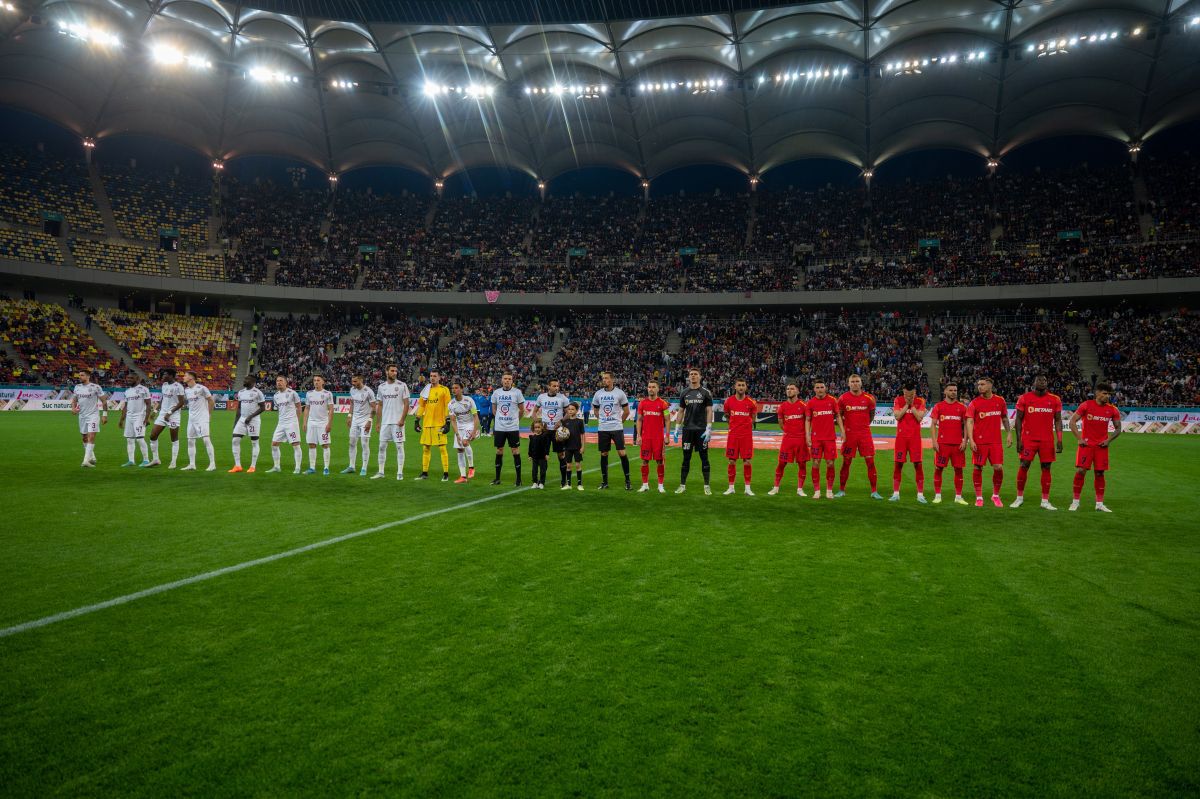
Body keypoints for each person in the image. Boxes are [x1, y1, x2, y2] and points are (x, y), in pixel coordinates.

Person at [1012, 374, 1064, 510]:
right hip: (1028, 439)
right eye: (1039, 380)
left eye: (1045, 380)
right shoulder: (1024, 398)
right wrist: (1019, 440)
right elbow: (1018, 419)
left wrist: (1059, 439)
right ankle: (1019, 498)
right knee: (1024, 465)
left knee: (1046, 468)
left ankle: (1045, 501)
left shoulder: (1055, 399)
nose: (1042, 382)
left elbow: (1058, 420)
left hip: (1047, 440)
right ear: (1034, 383)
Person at [1068, 382, 1121, 512]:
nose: (1107, 396)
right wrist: (1079, 439)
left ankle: (1099, 504)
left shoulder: (1113, 409)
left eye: (1109, 394)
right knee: (1081, 471)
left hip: (1101, 447)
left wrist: (1108, 440)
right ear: (1097, 393)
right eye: (1105, 393)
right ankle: (1075, 502)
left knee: (1100, 473)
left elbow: (1118, 428)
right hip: (1086, 445)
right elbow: (1072, 422)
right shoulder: (1086, 405)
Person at [965, 377, 1013, 507]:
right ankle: (979, 497)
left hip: (995, 442)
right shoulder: (974, 403)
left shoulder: (1000, 400)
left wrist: (1009, 433)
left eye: (982, 384)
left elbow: (1004, 417)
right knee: (978, 467)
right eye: (978, 384)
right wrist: (971, 439)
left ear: (990, 385)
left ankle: (995, 495)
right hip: (980, 442)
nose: (979, 386)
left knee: (998, 467)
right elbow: (969, 421)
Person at [837, 374, 881, 499]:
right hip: (849, 435)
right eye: (852, 381)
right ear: (848, 383)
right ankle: (841, 490)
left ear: (861, 383)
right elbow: (838, 416)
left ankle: (874, 491)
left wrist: (863, 426)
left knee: (870, 462)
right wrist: (843, 430)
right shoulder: (843, 398)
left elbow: (871, 415)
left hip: (864, 434)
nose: (855, 383)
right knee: (846, 462)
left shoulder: (869, 398)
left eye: (857, 381)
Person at [674, 368, 713, 495]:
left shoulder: (706, 392)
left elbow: (709, 411)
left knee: (704, 458)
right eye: (691, 374)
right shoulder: (684, 393)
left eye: (696, 374)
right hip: (688, 430)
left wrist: (708, 428)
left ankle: (707, 486)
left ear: (700, 377)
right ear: (688, 377)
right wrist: (676, 428)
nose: (693, 376)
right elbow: (680, 411)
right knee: (686, 458)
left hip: (701, 430)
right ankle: (682, 485)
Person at [929, 382, 968, 504]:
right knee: (938, 468)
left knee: (959, 469)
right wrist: (934, 441)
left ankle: (958, 497)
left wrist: (965, 440)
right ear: (945, 392)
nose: (953, 392)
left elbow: (967, 425)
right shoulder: (939, 406)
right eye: (950, 390)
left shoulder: (962, 407)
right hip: (942, 444)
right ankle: (938, 495)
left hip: (957, 445)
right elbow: (933, 425)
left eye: (955, 390)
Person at [591, 371, 632, 490]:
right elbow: (596, 410)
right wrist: (603, 420)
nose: (604, 380)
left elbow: (627, 411)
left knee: (622, 453)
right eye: (603, 378)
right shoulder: (598, 394)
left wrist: (619, 422)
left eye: (607, 378)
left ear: (612, 380)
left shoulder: (620, 393)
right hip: (603, 428)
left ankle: (628, 481)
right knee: (604, 454)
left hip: (617, 428)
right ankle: (604, 482)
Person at [890, 382, 928, 502]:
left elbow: (919, 417)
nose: (908, 397)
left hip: (915, 439)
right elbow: (897, 416)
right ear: (903, 392)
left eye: (911, 395)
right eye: (906, 395)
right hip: (901, 438)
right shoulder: (898, 400)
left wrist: (911, 405)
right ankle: (896, 494)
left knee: (918, 465)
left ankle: (920, 495)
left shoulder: (920, 401)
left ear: (915, 392)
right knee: (898, 464)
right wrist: (907, 404)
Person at [769, 382, 809, 496]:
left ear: (797, 391)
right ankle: (776, 487)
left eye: (792, 389)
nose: (789, 391)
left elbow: (808, 422)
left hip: (801, 440)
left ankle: (800, 489)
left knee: (802, 464)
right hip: (787, 440)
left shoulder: (803, 406)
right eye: (787, 389)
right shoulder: (782, 406)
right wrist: (789, 432)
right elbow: (781, 424)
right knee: (781, 463)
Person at [373, 364, 410, 480]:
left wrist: (402, 419)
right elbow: (379, 405)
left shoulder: (402, 385)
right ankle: (380, 472)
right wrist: (378, 422)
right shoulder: (381, 387)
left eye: (396, 371)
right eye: (392, 371)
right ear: (386, 372)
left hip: (397, 422)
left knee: (399, 446)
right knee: (382, 446)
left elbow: (407, 404)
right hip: (385, 422)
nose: (395, 373)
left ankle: (400, 472)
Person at [807, 379, 842, 499]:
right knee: (816, 462)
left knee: (830, 463)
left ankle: (829, 490)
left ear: (825, 388)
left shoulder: (832, 400)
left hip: (830, 438)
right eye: (817, 387)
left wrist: (843, 431)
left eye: (821, 387)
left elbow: (838, 416)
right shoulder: (811, 403)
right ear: (814, 389)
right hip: (816, 439)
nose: (820, 389)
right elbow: (807, 420)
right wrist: (807, 435)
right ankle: (817, 490)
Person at [489, 373, 525, 486]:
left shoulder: (517, 392)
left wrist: (515, 420)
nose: (507, 381)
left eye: (509, 379)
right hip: (500, 427)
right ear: (502, 380)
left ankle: (518, 479)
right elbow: (494, 409)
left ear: (512, 381)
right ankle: (497, 478)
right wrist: (500, 418)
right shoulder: (496, 393)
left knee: (515, 450)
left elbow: (522, 410)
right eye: (505, 379)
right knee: (499, 450)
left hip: (512, 427)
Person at [722, 378, 757, 496]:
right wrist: (733, 426)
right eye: (739, 385)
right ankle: (731, 487)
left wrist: (745, 426)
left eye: (743, 385)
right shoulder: (728, 401)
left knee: (747, 461)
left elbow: (753, 417)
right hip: (733, 435)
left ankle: (747, 488)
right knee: (731, 461)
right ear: (735, 387)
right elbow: (727, 415)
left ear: (746, 387)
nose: (741, 387)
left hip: (746, 436)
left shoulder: (751, 402)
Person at [534, 379, 571, 488]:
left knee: (561, 455)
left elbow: (568, 413)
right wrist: (538, 423)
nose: (556, 388)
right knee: (543, 456)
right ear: (548, 386)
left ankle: (563, 481)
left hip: (557, 432)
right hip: (545, 431)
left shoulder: (562, 398)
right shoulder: (541, 397)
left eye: (557, 386)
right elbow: (534, 412)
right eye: (554, 386)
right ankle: (541, 482)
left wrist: (561, 422)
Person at [415, 370, 452, 481]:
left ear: (439, 377)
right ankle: (424, 473)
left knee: (442, 448)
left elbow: (447, 406)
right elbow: (421, 406)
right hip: (427, 424)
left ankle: (446, 474)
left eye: (435, 376)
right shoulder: (425, 390)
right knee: (426, 448)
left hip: (439, 424)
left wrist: (448, 422)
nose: (432, 378)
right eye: (431, 376)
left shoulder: (444, 390)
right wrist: (417, 420)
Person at [635, 380, 670, 493]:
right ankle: (645, 484)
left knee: (660, 461)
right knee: (645, 461)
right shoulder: (642, 403)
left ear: (658, 389)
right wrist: (639, 435)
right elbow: (639, 420)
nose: (651, 389)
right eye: (649, 387)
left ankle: (660, 485)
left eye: (653, 387)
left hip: (658, 438)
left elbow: (668, 420)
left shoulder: (663, 404)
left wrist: (667, 436)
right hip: (646, 438)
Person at [147, 367, 185, 468]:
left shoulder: (178, 386)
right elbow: (163, 399)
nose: (162, 376)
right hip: (162, 414)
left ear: (171, 376)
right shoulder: (164, 385)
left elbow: (182, 402)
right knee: (153, 436)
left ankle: (173, 462)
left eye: (165, 374)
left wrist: (170, 412)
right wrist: (155, 410)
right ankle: (155, 459)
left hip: (173, 415)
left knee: (174, 438)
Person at [181, 370, 216, 471]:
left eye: (185, 375)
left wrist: (209, 414)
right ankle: (192, 464)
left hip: (202, 418)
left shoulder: (202, 388)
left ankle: (212, 464)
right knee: (190, 441)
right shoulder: (186, 390)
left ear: (191, 377)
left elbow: (211, 401)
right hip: (191, 419)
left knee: (206, 440)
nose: (183, 377)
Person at [71, 369, 107, 468]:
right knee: (84, 437)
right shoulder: (77, 387)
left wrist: (104, 415)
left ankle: (85, 461)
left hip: (93, 416)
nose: (80, 377)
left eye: (82, 375)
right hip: (82, 416)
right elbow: (74, 399)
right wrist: (73, 408)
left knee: (91, 436)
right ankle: (92, 457)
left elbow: (104, 401)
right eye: (79, 375)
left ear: (88, 376)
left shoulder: (95, 387)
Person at [230, 375, 265, 473]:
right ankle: (237, 466)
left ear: (253, 382)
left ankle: (252, 466)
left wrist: (251, 417)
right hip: (242, 419)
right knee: (235, 440)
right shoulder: (241, 392)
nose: (244, 380)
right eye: (244, 379)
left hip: (253, 420)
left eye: (247, 379)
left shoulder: (258, 393)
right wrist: (236, 422)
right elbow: (239, 408)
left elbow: (263, 408)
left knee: (254, 443)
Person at [268, 375, 303, 474]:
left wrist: (296, 420)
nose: (278, 382)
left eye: (281, 380)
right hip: (281, 423)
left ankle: (297, 468)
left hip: (292, 423)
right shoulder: (276, 395)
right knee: (274, 444)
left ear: (286, 382)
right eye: (277, 381)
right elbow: (280, 409)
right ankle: (277, 467)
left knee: (295, 445)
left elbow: (299, 407)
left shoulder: (292, 393)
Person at [342, 374, 375, 475]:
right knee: (352, 443)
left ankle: (364, 468)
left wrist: (370, 420)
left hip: (365, 420)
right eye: (352, 381)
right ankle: (351, 466)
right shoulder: (352, 390)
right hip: (355, 419)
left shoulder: (368, 391)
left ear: (361, 380)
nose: (353, 384)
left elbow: (374, 407)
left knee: (364, 443)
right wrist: (349, 415)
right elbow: (352, 403)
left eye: (355, 381)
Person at [447, 380, 479, 483]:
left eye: (456, 388)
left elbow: (475, 416)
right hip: (459, 427)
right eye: (453, 388)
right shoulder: (451, 404)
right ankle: (463, 477)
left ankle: (471, 467)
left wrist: (474, 431)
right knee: (460, 450)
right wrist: (456, 434)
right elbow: (453, 420)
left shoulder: (469, 400)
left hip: (470, 425)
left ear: (461, 389)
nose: (454, 390)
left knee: (465, 442)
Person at [303, 374, 334, 475]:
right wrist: (304, 422)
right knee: (311, 445)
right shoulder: (309, 393)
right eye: (314, 380)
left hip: (323, 423)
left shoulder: (327, 394)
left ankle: (326, 468)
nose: (316, 382)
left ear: (323, 382)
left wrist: (329, 423)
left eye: (318, 380)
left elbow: (331, 409)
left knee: (325, 445)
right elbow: (307, 408)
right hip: (311, 423)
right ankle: (312, 468)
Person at [119, 375, 150, 467]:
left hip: (139, 417)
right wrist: (122, 419)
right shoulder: (127, 391)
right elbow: (126, 406)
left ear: (137, 379)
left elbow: (148, 404)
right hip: (129, 417)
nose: (128, 379)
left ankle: (146, 460)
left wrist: (146, 418)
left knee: (140, 439)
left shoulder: (143, 389)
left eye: (131, 378)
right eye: (128, 378)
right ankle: (131, 461)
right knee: (129, 439)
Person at [560, 402, 586, 490]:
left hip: (577, 447)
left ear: (577, 410)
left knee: (578, 465)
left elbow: (582, 435)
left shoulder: (580, 421)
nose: (570, 411)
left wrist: (583, 446)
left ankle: (579, 484)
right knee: (568, 466)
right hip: (567, 447)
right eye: (569, 409)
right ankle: (569, 484)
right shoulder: (565, 422)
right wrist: (563, 447)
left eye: (572, 409)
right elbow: (563, 435)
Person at [527, 419, 552, 489]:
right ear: (533, 428)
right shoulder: (532, 438)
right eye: (535, 427)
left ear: (542, 428)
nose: (537, 429)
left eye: (538, 427)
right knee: (534, 471)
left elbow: (547, 446)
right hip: (535, 457)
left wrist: (547, 454)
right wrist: (529, 455)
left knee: (543, 470)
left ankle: (541, 483)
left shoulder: (544, 436)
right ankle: (534, 482)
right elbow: (530, 447)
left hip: (542, 457)